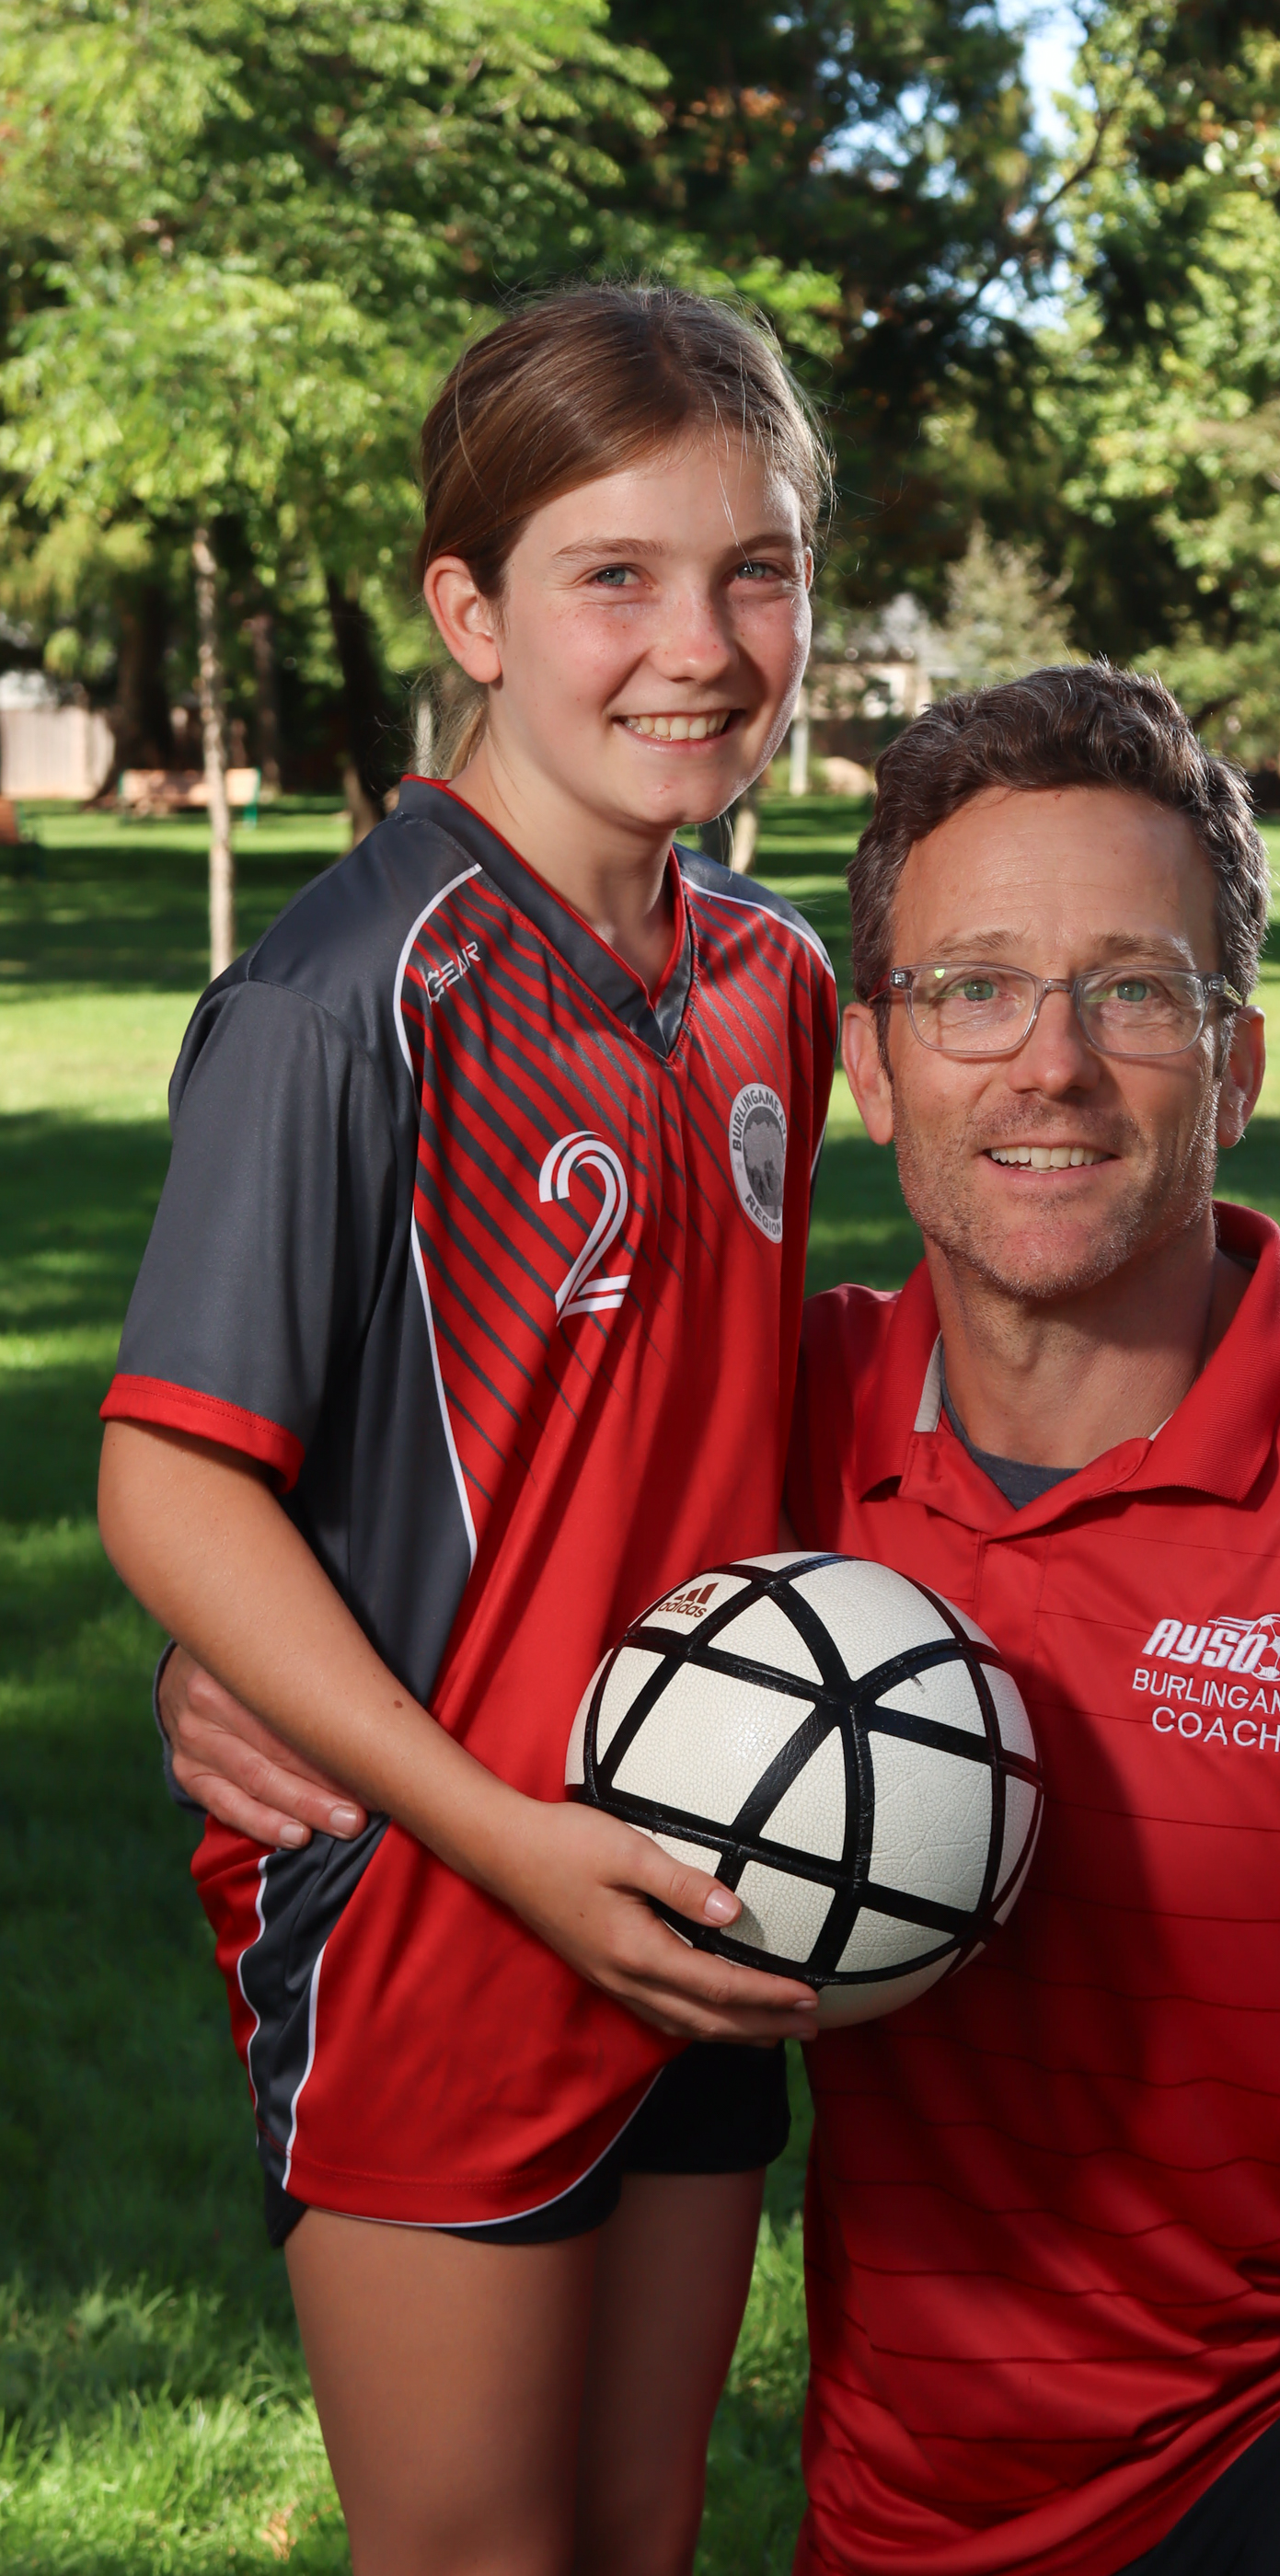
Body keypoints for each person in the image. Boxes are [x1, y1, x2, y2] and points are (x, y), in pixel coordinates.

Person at [163, 666, 1280, 2576]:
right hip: (926, 2503)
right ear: (869, 1065)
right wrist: (238, 1666)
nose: (1051, 1063)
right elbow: (445, 1544)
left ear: (1238, 1066)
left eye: (1135, 992)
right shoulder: (769, 1431)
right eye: (974, 989)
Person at [98, 285, 835, 2576]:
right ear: (471, 613)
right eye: (615, 575)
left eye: (755, 571)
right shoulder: (348, 997)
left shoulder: (773, 983)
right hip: (441, 1906)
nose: (696, 644)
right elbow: (172, 1474)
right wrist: (500, 1833)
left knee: (636, 2530)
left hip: (705, 1878)